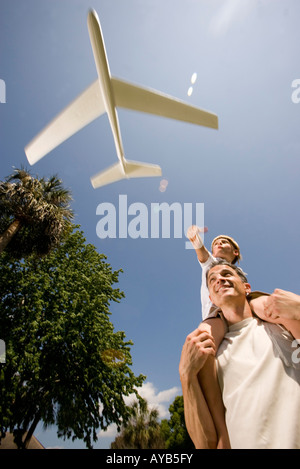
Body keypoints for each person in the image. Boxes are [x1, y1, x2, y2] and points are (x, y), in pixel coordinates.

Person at [179, 260, 300, 449]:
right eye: (212, 280)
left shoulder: (281, 325)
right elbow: (206, 444)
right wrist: (186, 375)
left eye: (227, 274)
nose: (219, 279)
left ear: (247, 288)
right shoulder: (211, 353)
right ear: (211, 299)